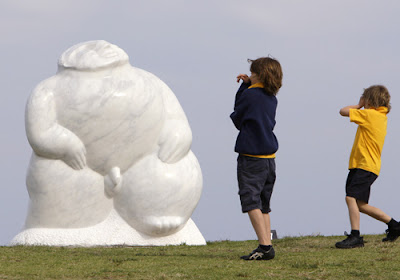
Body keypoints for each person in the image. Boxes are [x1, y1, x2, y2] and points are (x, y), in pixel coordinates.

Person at [230, 57, 283, 260]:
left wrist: (243, 88)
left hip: (251, 157)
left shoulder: (250, 94)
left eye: (251, 73)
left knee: (250, 200)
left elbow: (237, 117)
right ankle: (267, 243)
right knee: (263, 204)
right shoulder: (272, 98)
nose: (249, 75)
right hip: (269, 158)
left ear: (258, 75)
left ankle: (264, 247)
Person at [336, 85, 400, 249]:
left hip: (364, 165)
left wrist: (358, 105)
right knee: (359, 205)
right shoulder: (380, 116)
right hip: (367, 166)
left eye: (365, 99)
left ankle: (355, 236)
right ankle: (394, 226)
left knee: (350, 198)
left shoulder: (370, 114)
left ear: (370, 101)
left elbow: (342, 111)